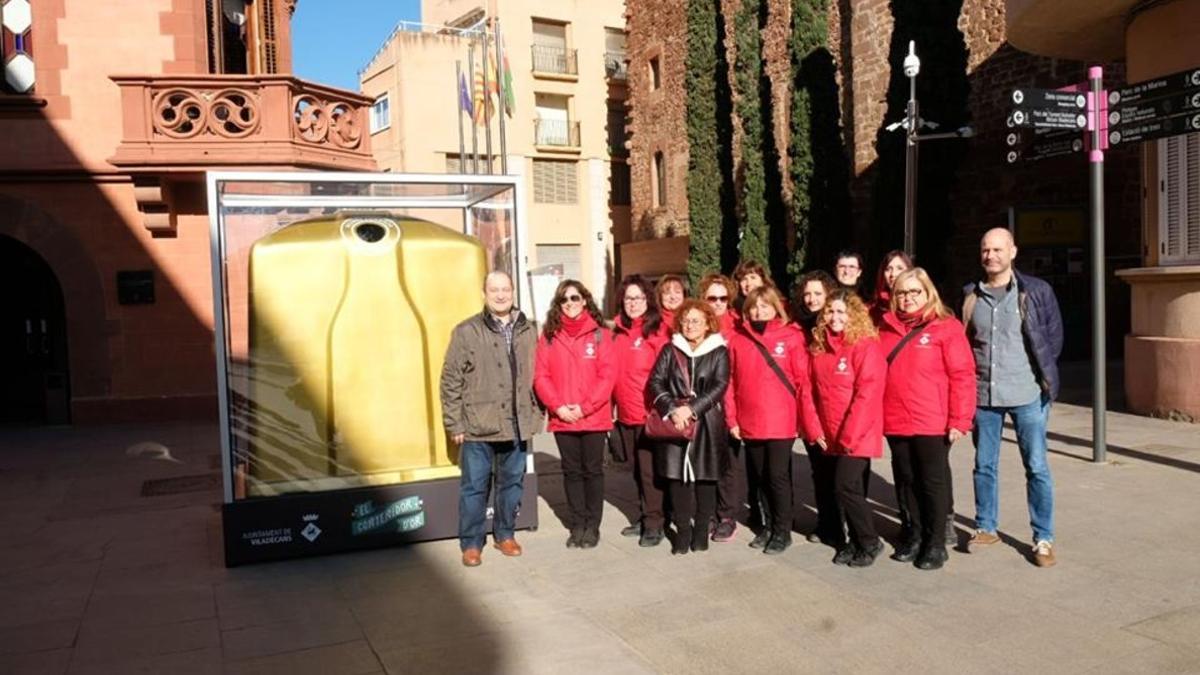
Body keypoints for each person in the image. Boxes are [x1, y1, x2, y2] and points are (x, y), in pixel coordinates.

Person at [963, 228, 1063, 567]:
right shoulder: (970, 295)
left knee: (1036, 466)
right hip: (984, 396)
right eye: (985, 249)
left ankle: (1043, 537)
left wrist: (1043, 381)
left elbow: (1052, 339)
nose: (990, 255)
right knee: (984, 466)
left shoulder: (1036, 292)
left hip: (1027, 394)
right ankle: (985, 526)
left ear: (1013, 252)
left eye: (997, 249)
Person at [440, 271, 542, 567]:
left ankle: (505, 534)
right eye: (494, 289)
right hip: (478, 425)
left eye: (505, 289)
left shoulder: (528, 329)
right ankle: (471, 543)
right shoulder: (467, 331)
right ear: (484, 293)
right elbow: (450, 380)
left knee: (512, 484)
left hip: (517, 424)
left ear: (513, 291)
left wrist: (538, 411)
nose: (500, 295)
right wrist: (454, 422)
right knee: (474, 487)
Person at [878, 268, 976, 570]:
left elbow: (962, 375)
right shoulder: (883, 327)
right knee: (906, 481)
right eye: (901, 293)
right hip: (894, 417)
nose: (907, 298)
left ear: (927, 293)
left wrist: (960, 419)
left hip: (930, 420)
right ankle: (915, 535)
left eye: (914, 292)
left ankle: (935, 543)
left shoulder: (946, 327)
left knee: (931, 482)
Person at [801, 290, 887, 567]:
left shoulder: (865, 346)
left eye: (841, 312)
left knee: (846, 486)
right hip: (829, 433)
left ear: (853, 315)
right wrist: (815, 430)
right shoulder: (818, 348)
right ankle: (854, 541)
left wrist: (849, 435)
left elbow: (868, 394)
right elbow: (810, 392)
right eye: (830, 312)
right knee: (842, 489)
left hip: (856, 433)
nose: (835, 317)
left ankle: (870, 541)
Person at [534, 280, 618, 549]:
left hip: (592, 416)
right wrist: (558, 407)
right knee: (571, 472)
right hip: (563, 417)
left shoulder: (600, 335)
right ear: (558, 305)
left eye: (574, 298)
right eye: (564, 300)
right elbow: (541, 376)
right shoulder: (548, 336)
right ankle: (577, 525)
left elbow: (607, 376)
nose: (569, 303)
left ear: (584, 300)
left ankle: (592, 526)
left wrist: (584, 407)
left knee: (592, 471)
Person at [725, 286, 807, 554]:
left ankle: (782, 530)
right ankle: (768, 526)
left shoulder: (791, 337)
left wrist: (802, 419)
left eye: (764, 305)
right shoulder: (738, 340)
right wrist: (732, 418)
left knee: (778, 477)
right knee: (759, 477)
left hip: (781, 420)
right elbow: (730, 382)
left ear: (775, 308)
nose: (759, 311)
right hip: (750, 420)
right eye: (753, 306)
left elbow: (802, 381)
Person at [647, 300, 731, 555]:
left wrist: (692, 408)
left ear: (707, 323)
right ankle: (682, 532)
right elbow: (656, 381)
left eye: (696, 320)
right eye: (685, 320)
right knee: (677, 479)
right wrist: (673, 409)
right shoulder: (670, 349)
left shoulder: (719, 351)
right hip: (676, 423)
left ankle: (701, 530)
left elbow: (720, 385)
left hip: (706, 422)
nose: (690, 325)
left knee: (706, 478)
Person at [610, 275, 669, 547]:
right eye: (628, 298)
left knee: (649, 472)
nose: (633, 303)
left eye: (638, 297)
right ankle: (646, 515)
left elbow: (667, 373)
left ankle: (655, 523)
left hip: (649, 415)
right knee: (635, 471)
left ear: (648, 300)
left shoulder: (658, 331)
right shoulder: (617, 332)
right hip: (625, 414)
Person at [791, 270, 844, 548]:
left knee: (843, 476)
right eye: (807, 293)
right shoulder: (799, 326)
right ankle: (827, 524)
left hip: (839, 410)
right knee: (820, 472)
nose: (811, 299)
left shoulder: (839, 323)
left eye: (817, 294)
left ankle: (847, 525)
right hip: (812, 409)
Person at [698, 272, 742, 540]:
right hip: (703, 407)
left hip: (728, 407)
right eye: (711, 297)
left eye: (722, 298)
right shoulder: (697, 325)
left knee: (728, 466)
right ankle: (709, 513)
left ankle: (727, 516)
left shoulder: (737, 328)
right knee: (706, 464)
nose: (717, 302)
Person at [870, 250, 913, 326]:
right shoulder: (874, 309)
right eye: (888, 269)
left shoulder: (919, 303)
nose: (893, 274)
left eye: (899, 268)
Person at [655, 274, 687, 339]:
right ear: (660, 297)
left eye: (677, 292)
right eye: (667, 293)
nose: (673, 297)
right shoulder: (654, 321)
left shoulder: (691, 317)